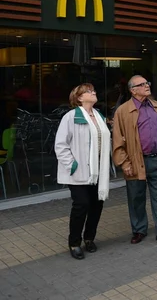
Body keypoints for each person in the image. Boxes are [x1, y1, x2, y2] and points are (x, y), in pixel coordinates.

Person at [112, 76, 157, 245]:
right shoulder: (123, 111)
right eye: (141, 84)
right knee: (136, 198)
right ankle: (139, 230)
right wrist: (124, 163)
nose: (147, 86)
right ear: (132, 90)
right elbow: (118, 140)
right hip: (135, 162)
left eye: (147, 83)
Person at [54, 83, 112, 260]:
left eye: (93, 90)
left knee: (96, 205)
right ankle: (74, 242)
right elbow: (61, 145)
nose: (93, 92)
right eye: (88, 91)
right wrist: (72, 165)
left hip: (98, 171)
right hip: (78, 172)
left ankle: (89, 238)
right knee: (82, 205)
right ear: (79, 98)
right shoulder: (71, 117)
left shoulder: (99, 116)